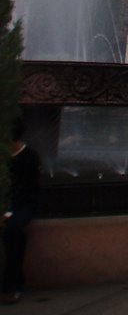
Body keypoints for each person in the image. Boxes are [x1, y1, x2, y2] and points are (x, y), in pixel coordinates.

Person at [2, 120, 40, 304]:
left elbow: (26, 191)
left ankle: (13, 285)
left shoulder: (29, 156)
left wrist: (7, 212)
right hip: (6, 205)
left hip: (22, 206)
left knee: (13, 231)